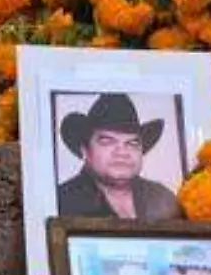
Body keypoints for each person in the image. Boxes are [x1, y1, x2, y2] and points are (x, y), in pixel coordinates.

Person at [55, 93, 184, 220]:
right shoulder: (61, 201)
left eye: (132, 143)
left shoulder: (162, 198)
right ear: (85, 151)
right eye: (107, 141)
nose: (122, 152)